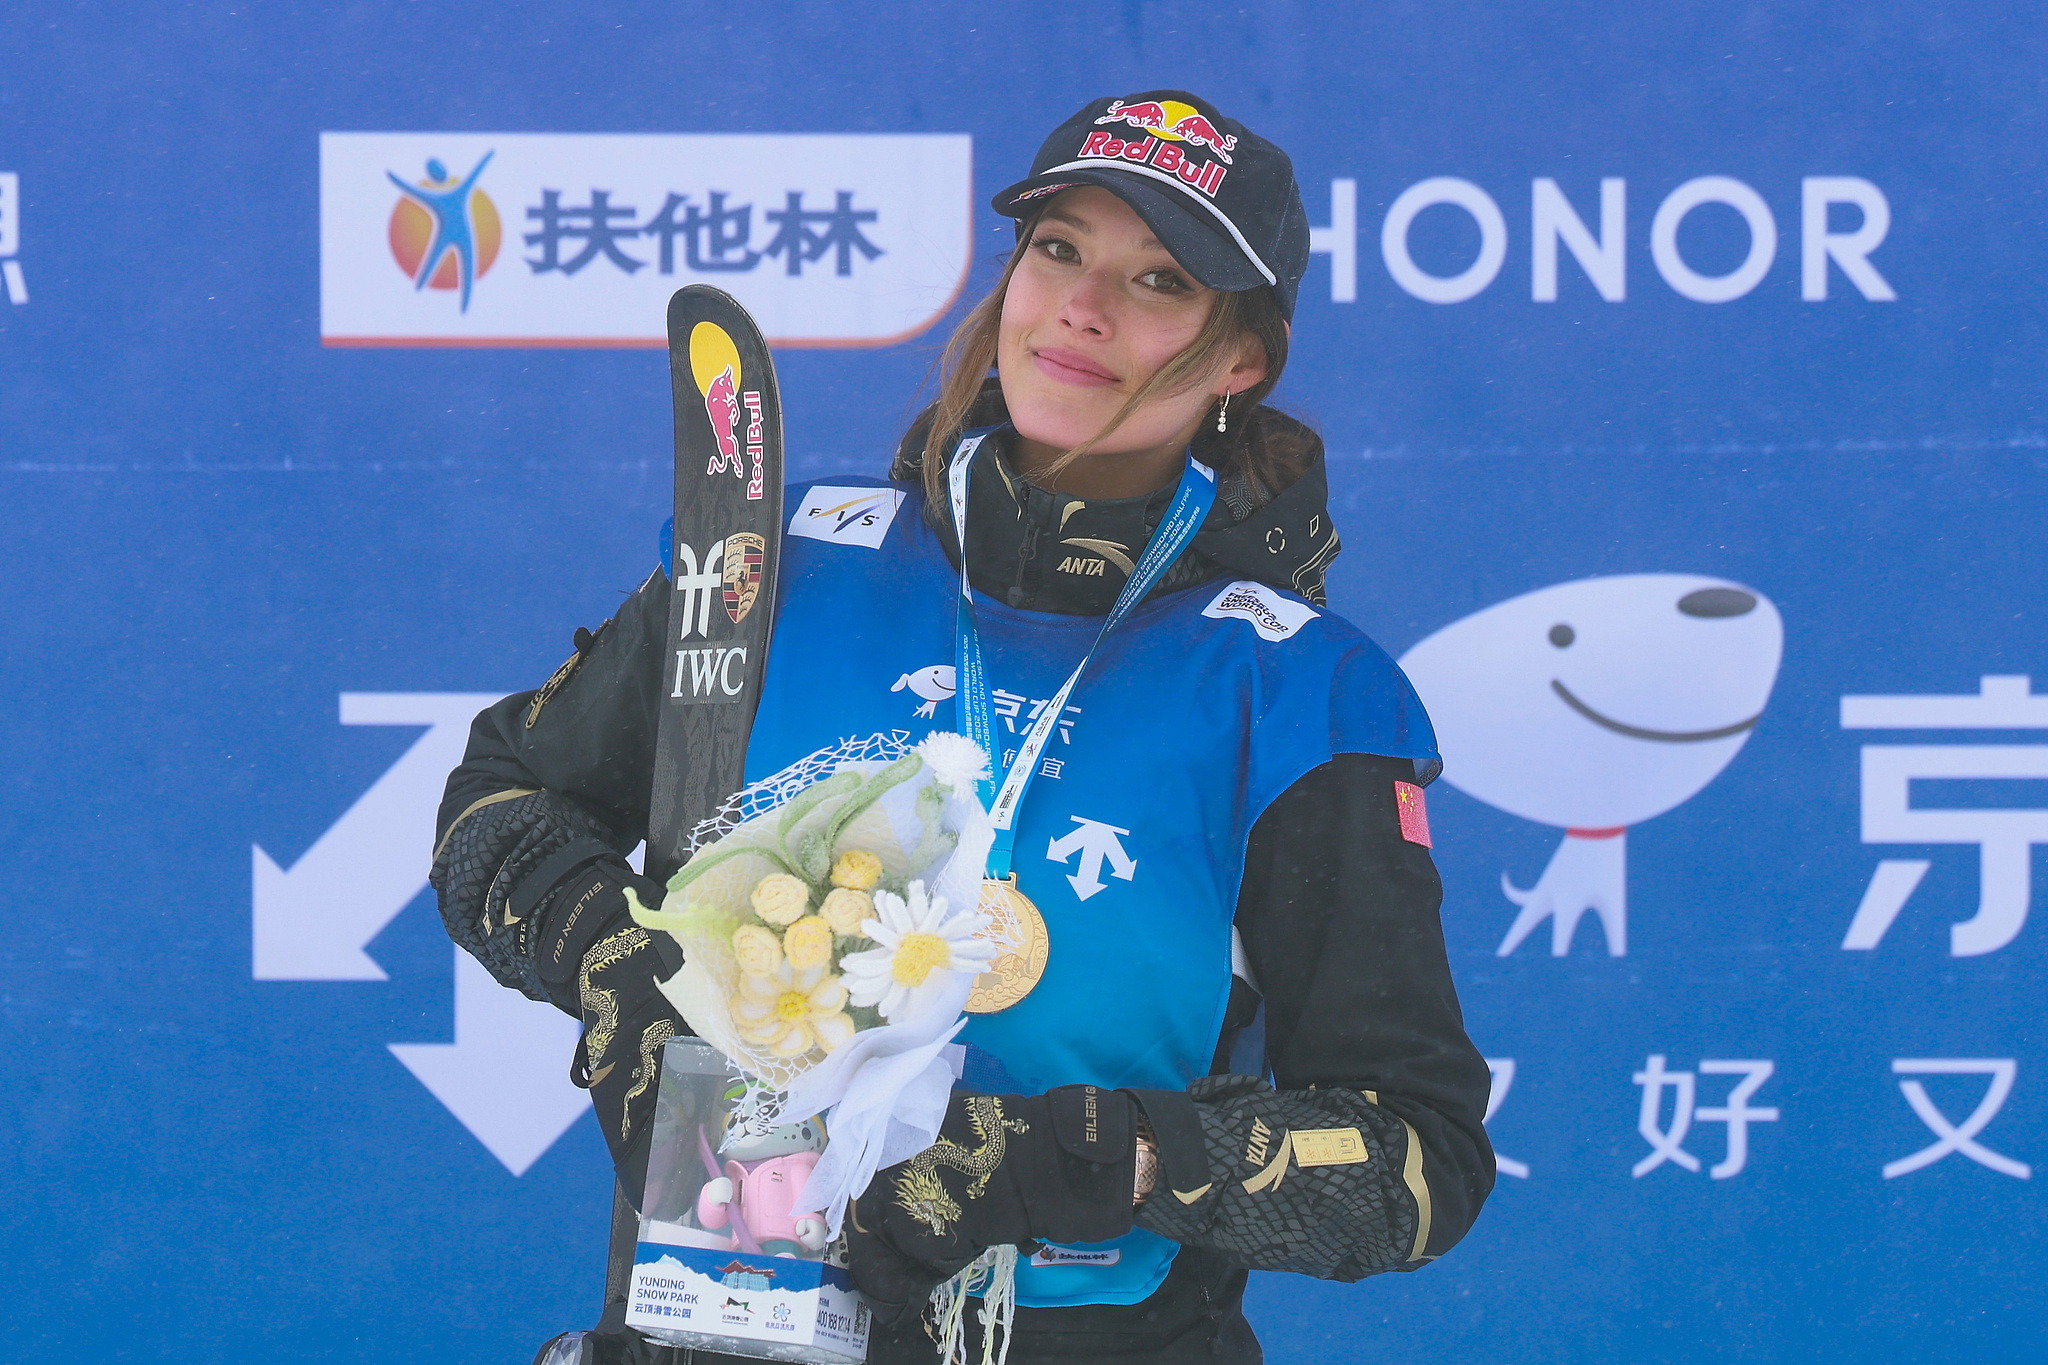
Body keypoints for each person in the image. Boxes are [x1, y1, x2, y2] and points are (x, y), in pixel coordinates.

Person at [431, 90, 1494, 1365]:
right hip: (723, 1324)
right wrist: (624, 984)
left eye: (1158, 280)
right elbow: (499, 806)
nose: (1083, 311)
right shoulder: (778, 569)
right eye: (1058, 250)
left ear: (1238, 360)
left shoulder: (1298, 689)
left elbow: (1414, 1161)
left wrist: (1083, 1159)